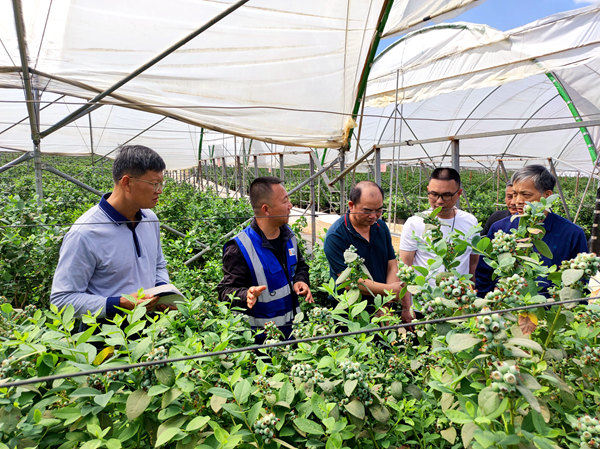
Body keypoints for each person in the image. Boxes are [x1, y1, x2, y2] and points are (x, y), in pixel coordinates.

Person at [51, 145, 170, 319]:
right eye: (154, 184)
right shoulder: (85, 233)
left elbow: (158, 264)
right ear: (127, 182)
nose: (159, 190)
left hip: (150, 330)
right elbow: (62, 300)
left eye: (161, 183)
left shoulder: (150, 219)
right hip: (105, 335)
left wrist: (162, 291)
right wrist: (118, 303)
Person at [217, 176, 312, 340]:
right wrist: (245, 294)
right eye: (284, 201)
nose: (290, 206)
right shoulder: (240, 248)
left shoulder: (288, 236)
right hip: (263, 345)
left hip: (295, 333)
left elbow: (300, 266)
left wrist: (301, 280)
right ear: (266, 209)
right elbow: (225, 291)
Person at [475, 164, 588, 296]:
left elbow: (579, 283)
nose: (518, 201)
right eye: (515, 194)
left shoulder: (571, 233)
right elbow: (484, 275)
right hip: (507, 307)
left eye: (525, 195)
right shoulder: (500, 229)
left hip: (550, 311)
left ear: (547, 195)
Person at [323, 181, 412, 324]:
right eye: (367, 210)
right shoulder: (336, 236)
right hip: (351, 311)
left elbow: (391, 263)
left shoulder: (380, 227)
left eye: (378, 210)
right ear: (351, 206)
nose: (374, 216)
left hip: (382, 307)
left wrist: (385, 305)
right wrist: (389, 290)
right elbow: (349, 281)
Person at [399, 167, 479, 278]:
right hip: (424, 294)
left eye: (446, 195)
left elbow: (473, 265)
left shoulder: (470, 222)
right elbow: (405, 267)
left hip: (459, 293)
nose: (439, 201)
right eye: (434, 194)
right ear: (428, 190)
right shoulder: (415, 223)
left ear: (459, 193)